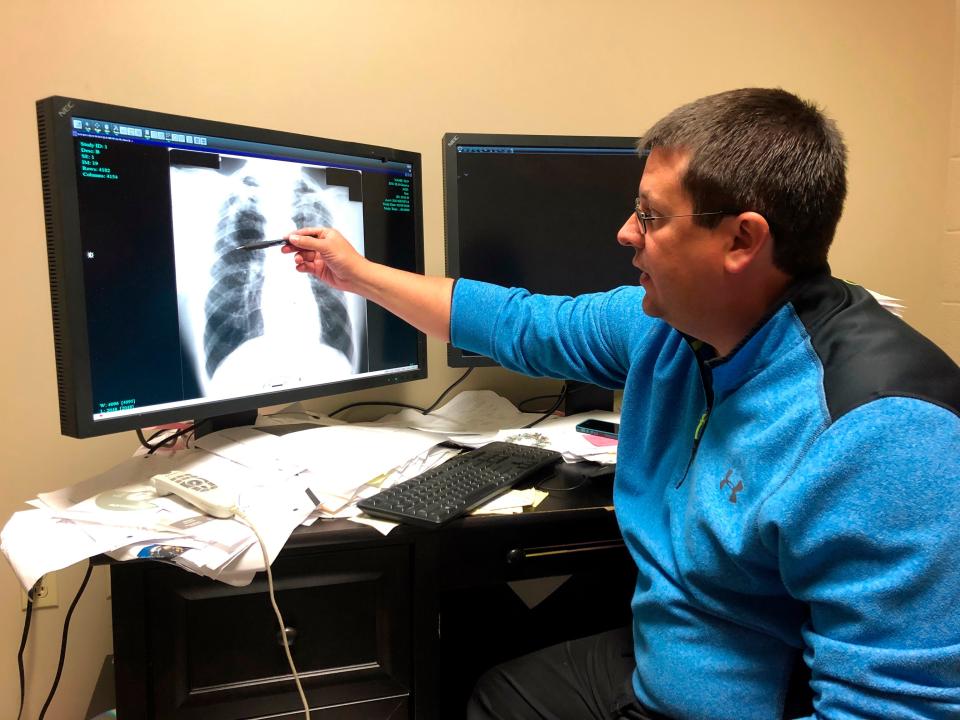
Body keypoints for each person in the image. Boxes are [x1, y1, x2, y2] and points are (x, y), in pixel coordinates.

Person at [283, 88, 960, 719]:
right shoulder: (669, 326)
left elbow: (895, 709)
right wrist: (358, 275)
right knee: (483, 675)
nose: (625, 233)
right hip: (667, 655)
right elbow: (519, 323)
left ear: (742, 240)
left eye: (652, 216)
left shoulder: (884, 433)